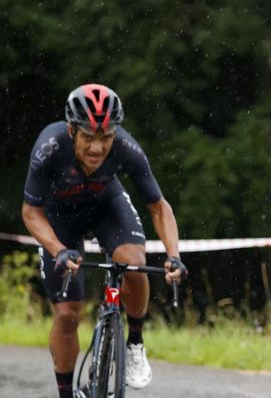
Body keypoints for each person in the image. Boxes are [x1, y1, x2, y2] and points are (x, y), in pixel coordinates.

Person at [22, 83, 188, 398]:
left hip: (105, 206)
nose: (98, 148)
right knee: (68, 314)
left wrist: (174, 254)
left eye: (106, 138)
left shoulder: (127, 148)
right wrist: (58, 250)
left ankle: (135, 342)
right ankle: (66, 394)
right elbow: (31, 212)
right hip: (59, 218)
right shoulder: (49, 148)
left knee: (135, 265)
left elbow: (159, 207)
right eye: (89, 137)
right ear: (72, 131)